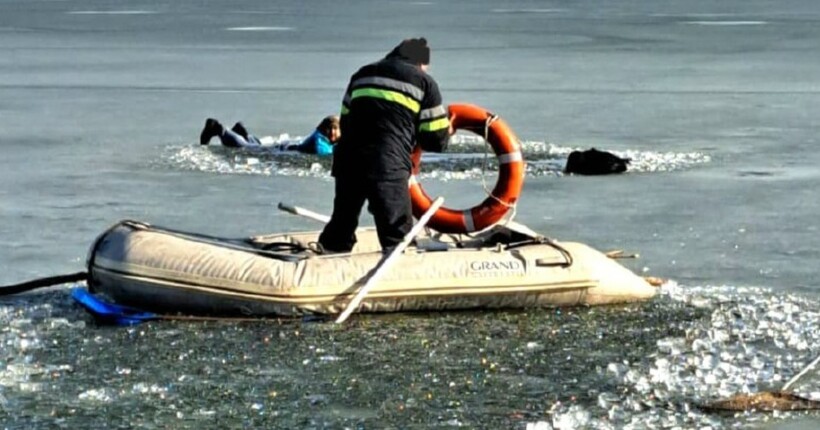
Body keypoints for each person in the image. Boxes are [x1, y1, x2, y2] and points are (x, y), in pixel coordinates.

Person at [318, 37, 451, 254]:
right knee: (396, 233)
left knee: (343, 220)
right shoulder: (424, 82)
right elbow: (436, 139)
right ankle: (402, 273)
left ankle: (328, 257)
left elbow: (345, 121)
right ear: (420, 62)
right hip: (387, 162)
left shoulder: (361, 74)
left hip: (348, 160)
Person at [199, 115, 341, 155]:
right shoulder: (319, 140)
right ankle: (218, 128)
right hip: (282, 151)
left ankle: (241, 132)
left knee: (254, 145)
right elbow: (324, 153)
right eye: (338, 130)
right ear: (328, 129)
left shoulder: (321, 137)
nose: (338, 133)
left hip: (285, 148)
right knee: (246, 148)